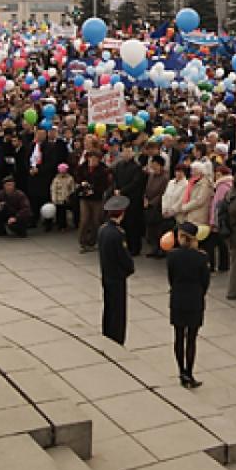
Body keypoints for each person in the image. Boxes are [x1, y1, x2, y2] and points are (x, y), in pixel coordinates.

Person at [167, 221, 210, 388]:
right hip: (194, 300)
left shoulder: (172, 255)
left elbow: (171, 278)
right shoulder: (201, 257)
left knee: (178, 337)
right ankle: (190, 373)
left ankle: (181, 372)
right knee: (191, 339)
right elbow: (205, 282)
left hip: (177, 299)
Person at [98, 194, 134, 345]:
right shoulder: (118, 234)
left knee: (108, 307)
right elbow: (124, 258)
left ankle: (106, 333)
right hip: (117, 277)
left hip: (106, 274)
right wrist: (129, 268)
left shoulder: (103, 230)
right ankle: (116, 337)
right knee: (118, 310)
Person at [75, 146, 113, 253]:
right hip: (84, 196)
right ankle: (83, 242)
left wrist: (95, 189)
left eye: (95, 159)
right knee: (85, 219)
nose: (93, 161)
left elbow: (106, 184)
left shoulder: (103, 169)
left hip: (97, 197)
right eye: (91, 158)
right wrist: (82, 183)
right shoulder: (83, 167)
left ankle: (93, 241)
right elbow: (77, 176)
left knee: (97, 220)